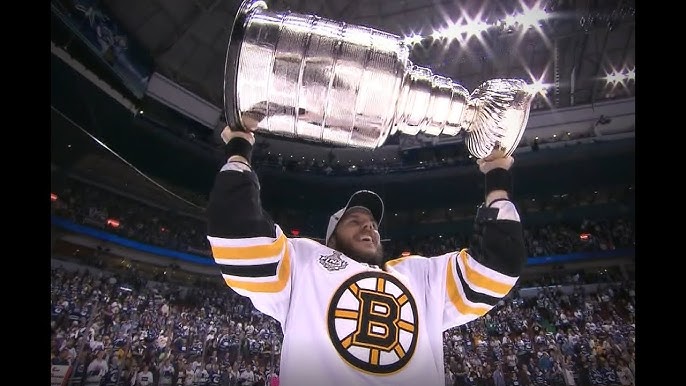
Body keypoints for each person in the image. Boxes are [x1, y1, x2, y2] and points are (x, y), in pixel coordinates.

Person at [206, 127, 527, 386]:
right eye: (355, 221)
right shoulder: (303, 261)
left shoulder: (419, 275)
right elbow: (238, 237)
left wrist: (497, 177)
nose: (369, 227)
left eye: (372, 224)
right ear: (330, 238)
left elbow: (494, 269)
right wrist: (239, 149)